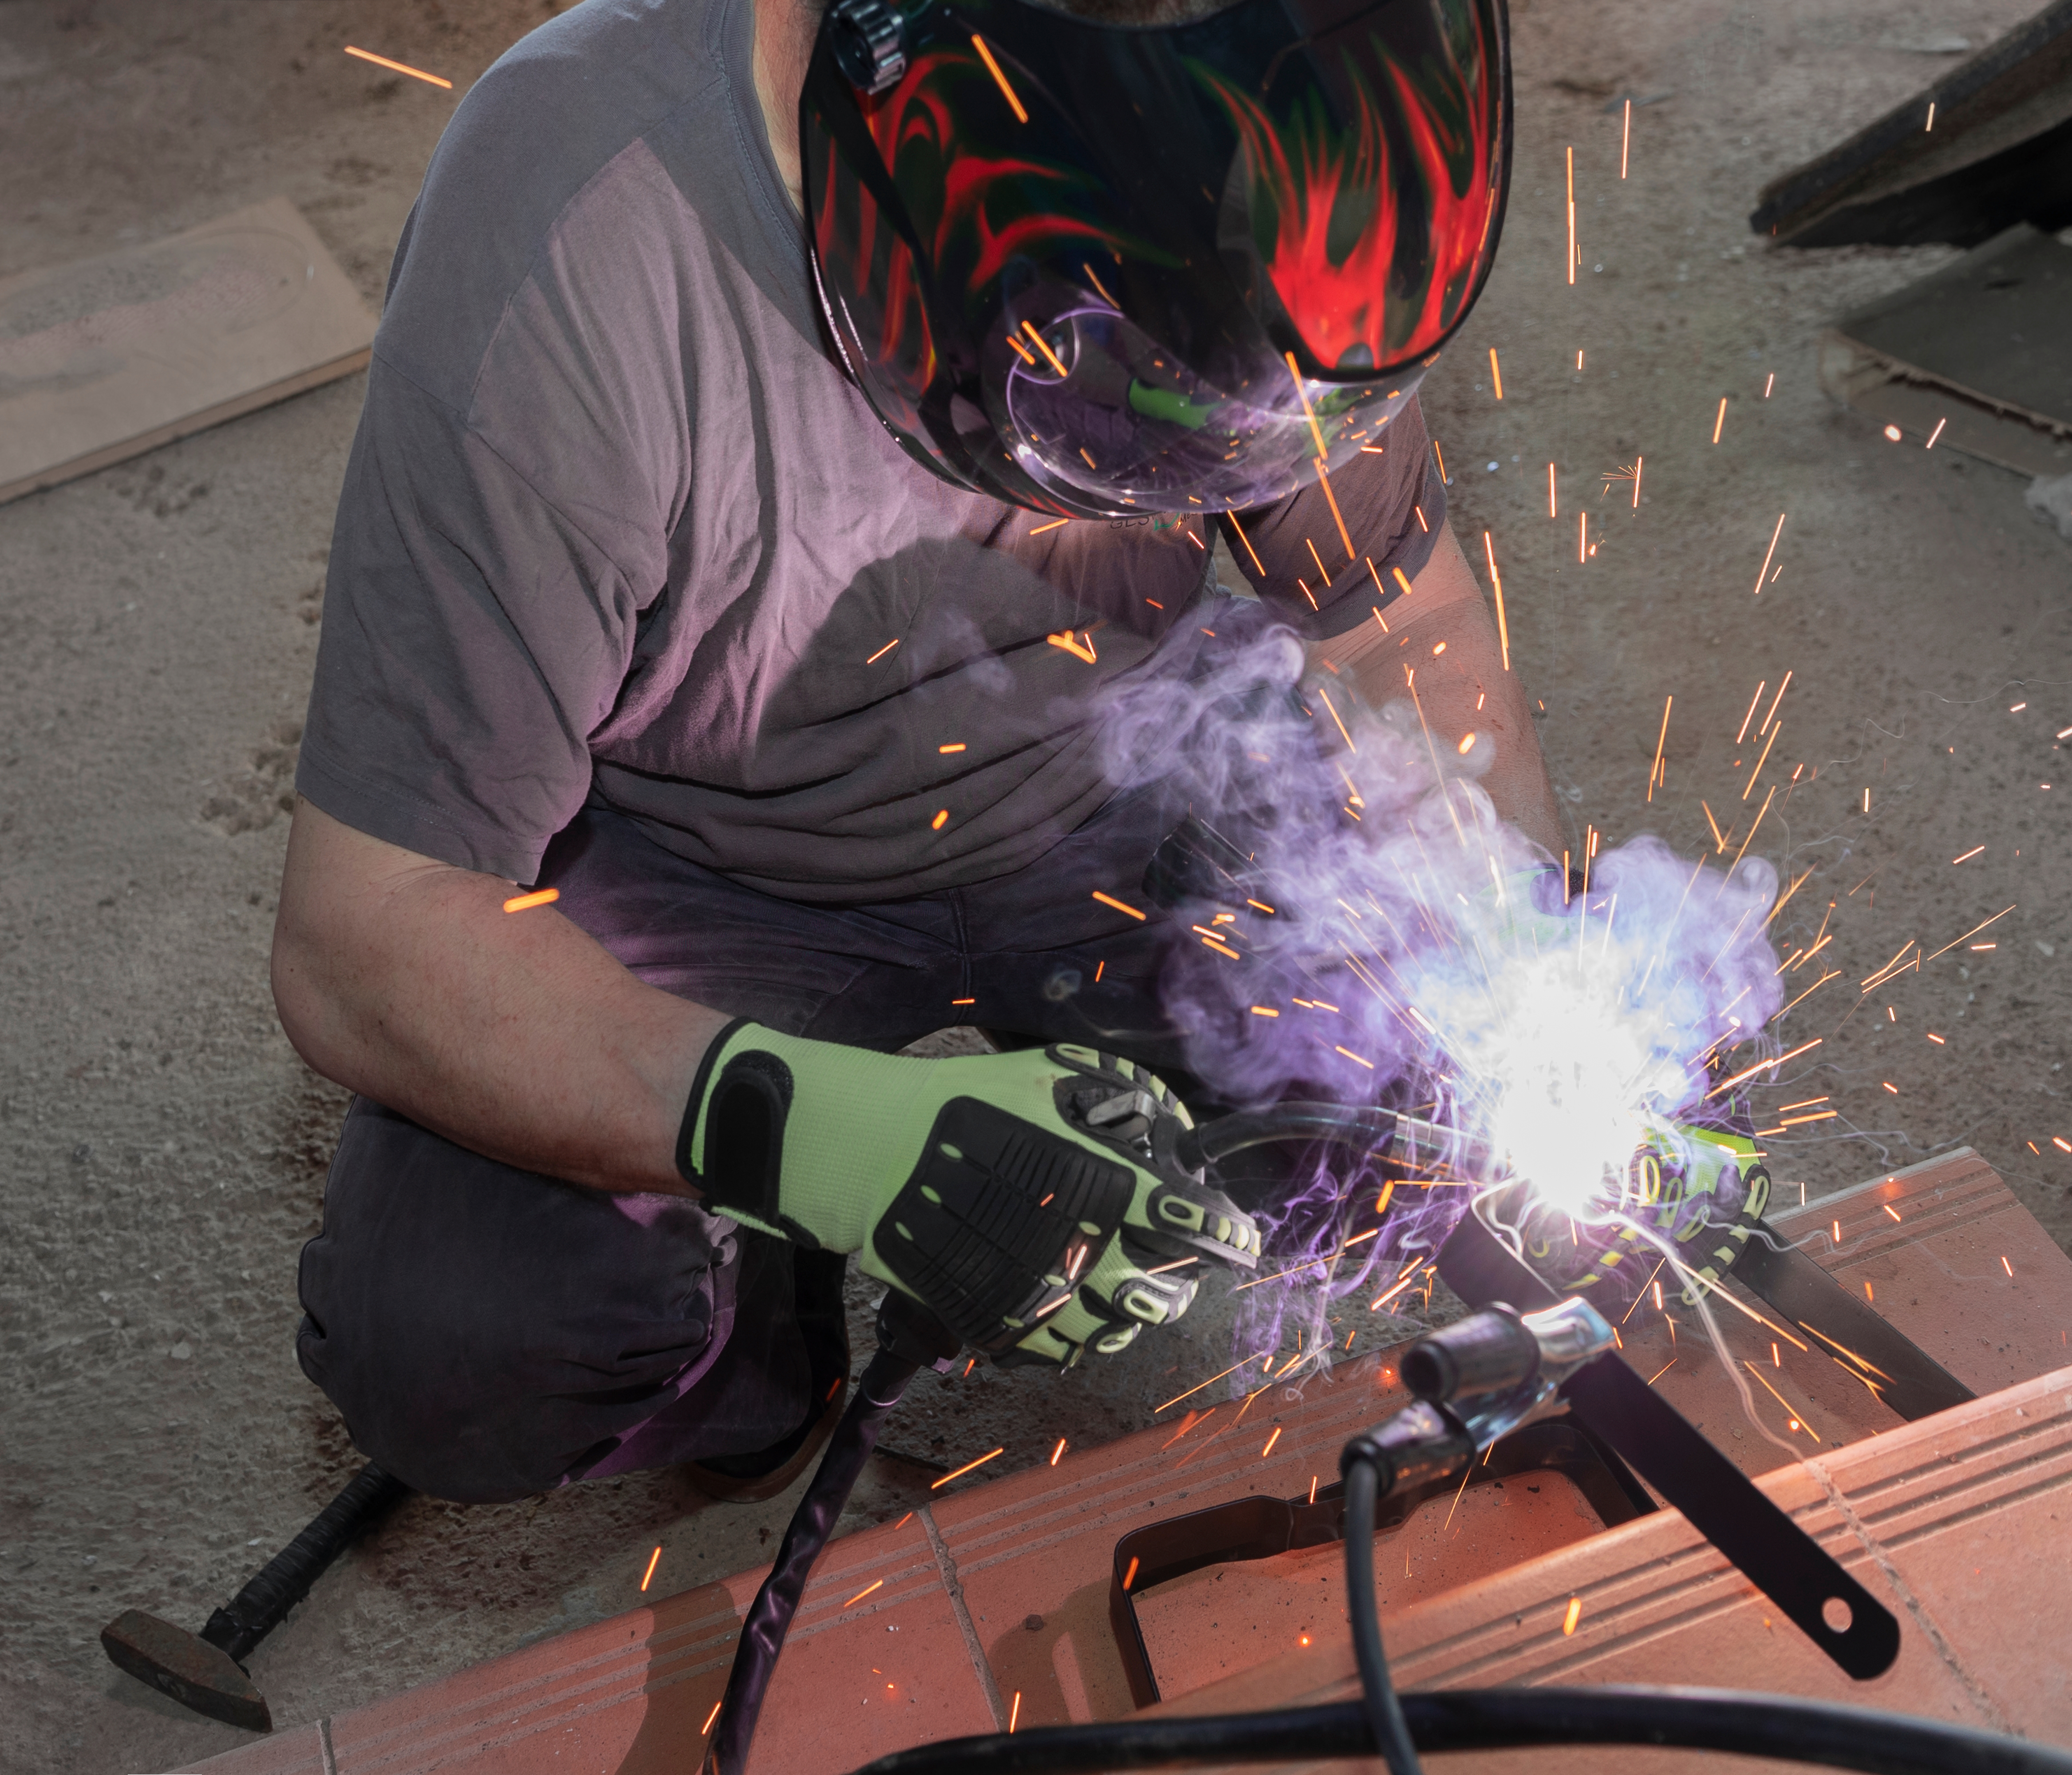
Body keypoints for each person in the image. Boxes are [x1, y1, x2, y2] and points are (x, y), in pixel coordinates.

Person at [270, 0, 1552, 1506]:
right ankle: (761, 1352)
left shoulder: (1277, 128)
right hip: (711, 861)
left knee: (1461, 1144)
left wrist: (1524, 960)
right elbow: (362, 934)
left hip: (1142, 766)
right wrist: (828, 1144)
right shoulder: (575, 215)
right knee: (468, 1344)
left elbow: (1398, 629)